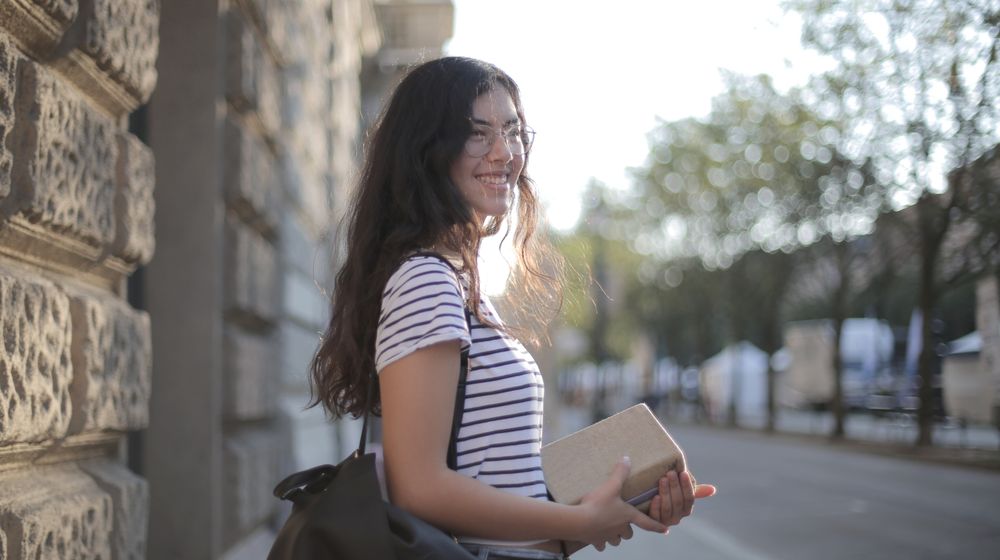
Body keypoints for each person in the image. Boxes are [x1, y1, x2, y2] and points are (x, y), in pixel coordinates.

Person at [309, 56, 716, 560]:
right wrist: (577, 519)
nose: (504, 152)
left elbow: (498, 486)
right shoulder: (427, 281)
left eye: (513, 131)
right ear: (426, 150)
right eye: (477, 133)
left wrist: (621, 503)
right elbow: (420, 487)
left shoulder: (462, 286)